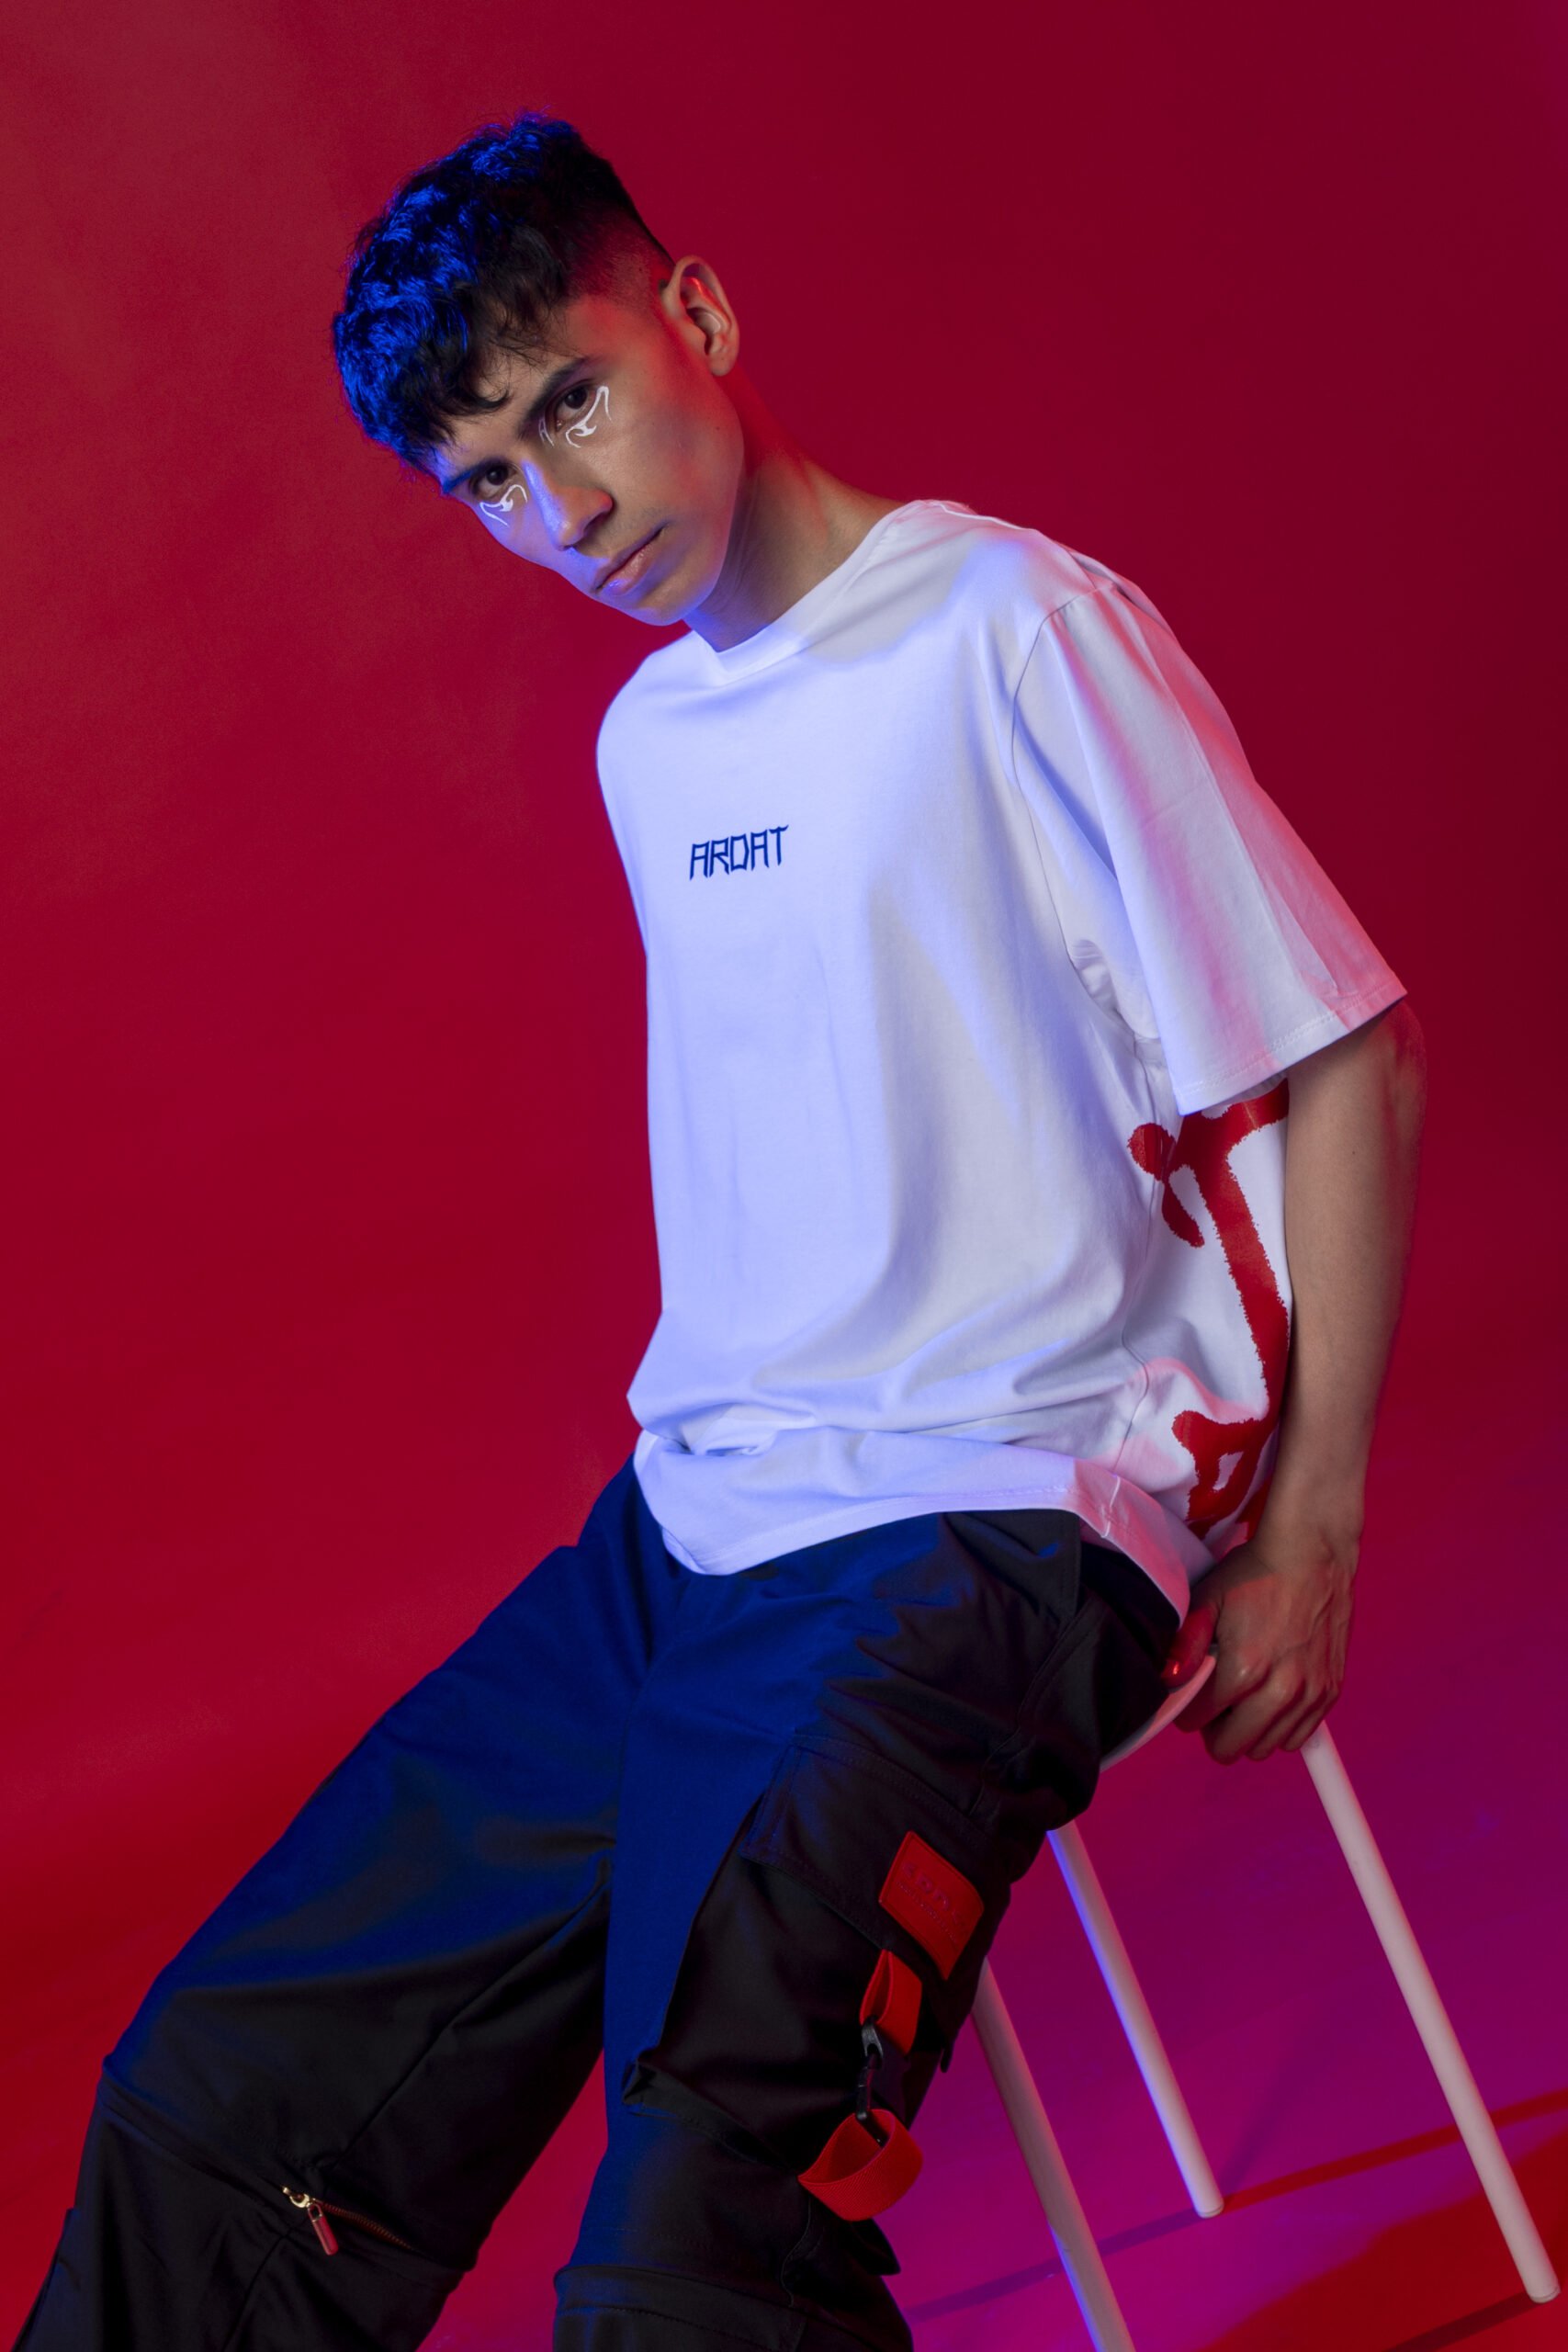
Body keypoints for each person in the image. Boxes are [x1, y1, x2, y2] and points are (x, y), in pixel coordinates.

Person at [17, 112, 1427, 2352]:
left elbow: (1343, 1047)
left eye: (570, 402)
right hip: (687, 1532)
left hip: (978, 1521)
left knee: (687, 2262)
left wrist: (1307, 1524)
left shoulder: (1008, 625)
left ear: (695, 313)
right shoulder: (650, 741)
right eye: (487, 478)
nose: (560, 510)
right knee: (206, 2108)